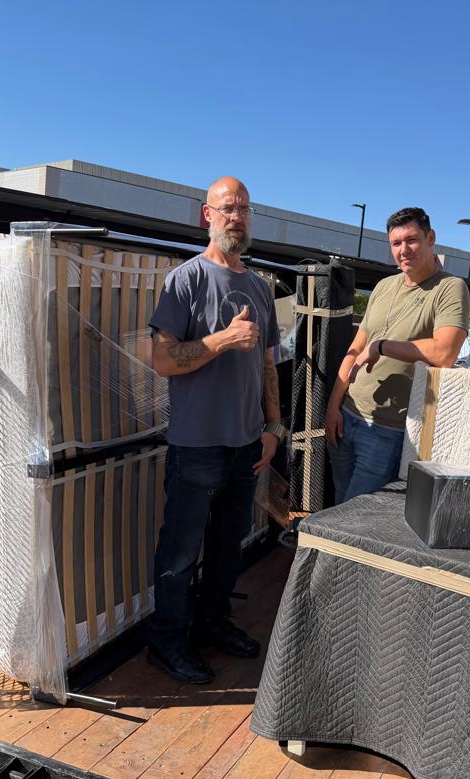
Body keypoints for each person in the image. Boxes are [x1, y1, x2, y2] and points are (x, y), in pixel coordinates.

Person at [147, 176, 285, 684]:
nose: (237, 218)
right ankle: (166, 641)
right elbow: (162, 360)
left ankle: (212, 624)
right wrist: (223, 339)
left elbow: (268, 365)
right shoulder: (185, 280)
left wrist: (273, 427)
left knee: (228, 549)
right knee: (180, 553)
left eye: (244, 209)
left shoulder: (260, 287)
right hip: (196, 445)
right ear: (207, 215)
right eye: (228, 209)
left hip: (246, 444)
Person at [325, 207, 470, 503]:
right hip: (347, 416)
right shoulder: (383, 286)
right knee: (338, 504)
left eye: (411, 240)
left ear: (430, 238)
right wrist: (332, 407)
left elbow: (445, 353)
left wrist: (383, 346)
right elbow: (354, 350)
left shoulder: (449, 289)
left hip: (386, 430)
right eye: (396, 243)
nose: (403, 250)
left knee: (355, 516)